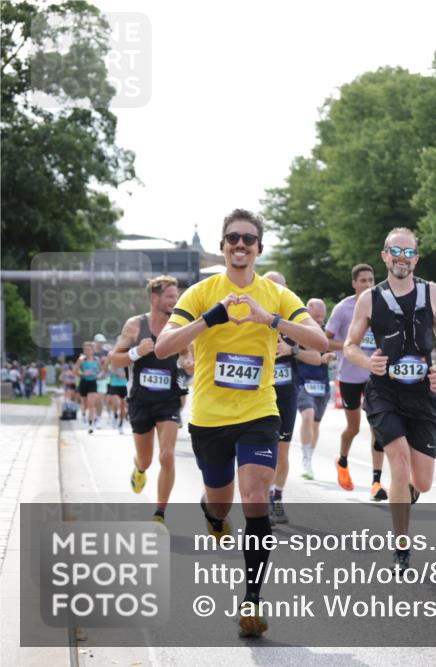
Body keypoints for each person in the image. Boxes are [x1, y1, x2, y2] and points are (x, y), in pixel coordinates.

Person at [155, 208, 326, 638]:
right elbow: (162, 348)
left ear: (259, 249)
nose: (240, 245)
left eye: (249, 239)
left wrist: (267, 320)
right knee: (221, 502)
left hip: (259, 413)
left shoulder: (276, 296)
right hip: (210, 418)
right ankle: (212, 517)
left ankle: (251, 601)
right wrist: (208, 319)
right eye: (233, 238)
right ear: (223, 245)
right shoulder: (200, 292)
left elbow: (320, 343)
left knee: (254, 499)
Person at [344, 227, 436, 572]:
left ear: (416, 258)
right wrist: (367, 361)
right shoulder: (370, 299)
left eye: (409, 253)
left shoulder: (432, 292)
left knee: (422, 481)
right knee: (398, 462)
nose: (402, 259)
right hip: (384, 391)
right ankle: (401, 548)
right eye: (396, 252)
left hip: (421, 394)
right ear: (385, 255)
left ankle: (407, 492)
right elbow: (349, 346)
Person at [108, 275, 186, 522]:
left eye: (177, 296)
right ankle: (139, 470)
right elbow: (114, 361)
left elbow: (187, 358)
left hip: (168, 401)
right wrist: (136, 352)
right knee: (146, 459)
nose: (176, 300)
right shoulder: (135, 325)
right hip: (140, 401)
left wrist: (188, 364)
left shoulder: (180, 325)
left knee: (167, 455)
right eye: (171, 296)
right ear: (155, 298)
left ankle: (160, 512)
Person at [327, 264, 386, 499]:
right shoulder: (343, 309)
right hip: (350, 376)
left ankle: (376, 483)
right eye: (363, 280)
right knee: (354, 428)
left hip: (375, 376)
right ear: (354, 283)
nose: (368, 285)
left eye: (371, 280)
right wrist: (350, 345)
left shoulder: (381, 306)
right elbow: (325, 340)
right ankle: (342, 460)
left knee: (378, 428)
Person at [261, 271, 302, 524]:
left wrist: (291, 349)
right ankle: (259, 497)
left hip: (286, 396)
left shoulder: (296, 323)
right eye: (270, 287)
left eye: (280, 288)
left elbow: (318, 354)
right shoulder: (254, 320)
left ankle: (275, 497)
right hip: (257, 398)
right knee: (260, 453)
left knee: (282, 454)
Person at [296, 298, 335, 481]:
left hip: (322, 383)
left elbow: (335, 350)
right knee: (307, 415)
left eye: (321, 316)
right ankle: (304, 458)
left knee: (316, 424)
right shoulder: (300, 330)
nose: (319, 320)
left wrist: (331, 356)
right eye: (316, 316)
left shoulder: (327, 330)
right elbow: (292, 352)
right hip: (302, 381)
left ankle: (309, 456)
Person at [73, 342, 101, 432]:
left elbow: (100, 371)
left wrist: (99, 375)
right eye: (85, 349)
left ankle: (90, 425)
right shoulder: (81, 360)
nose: (87, 351)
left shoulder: (97, 360)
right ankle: (84, 413)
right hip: (84, 382)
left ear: (92, 350)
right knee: (85, 404)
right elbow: (75, 371)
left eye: (88, 349)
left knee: (91, 404)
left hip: (93, 382)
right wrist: (83, 373)